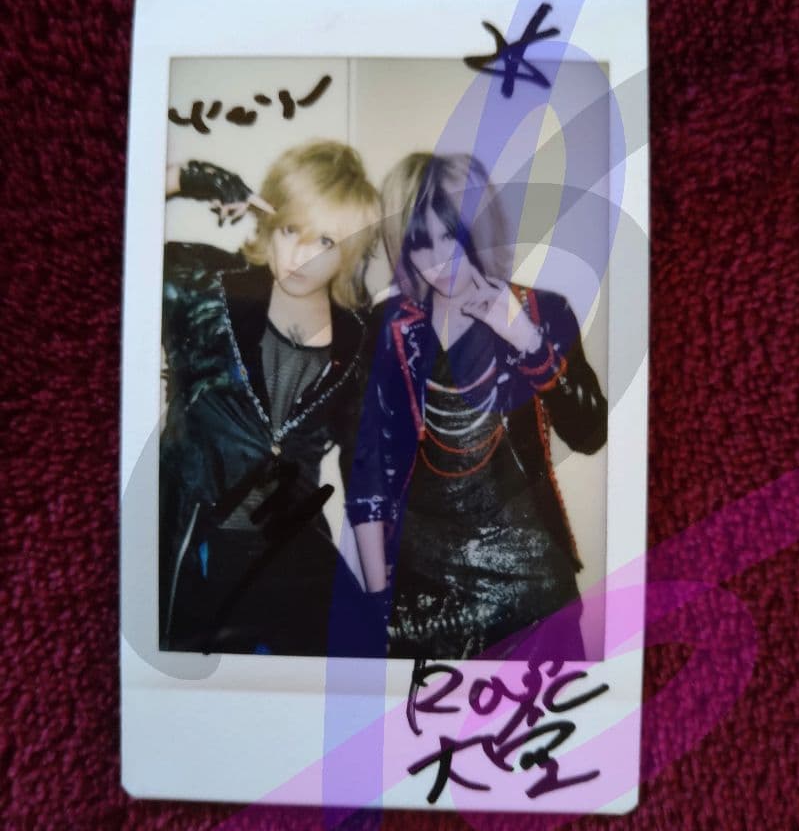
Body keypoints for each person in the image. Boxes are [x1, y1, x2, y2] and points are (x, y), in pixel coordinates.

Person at [346, 153, 607, 661]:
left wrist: (529, 342)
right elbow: (368, 471)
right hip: (423, 590)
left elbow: (590, 433)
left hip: (532, 585)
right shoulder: (389, 329)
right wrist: (377, 600)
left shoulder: (542, 312)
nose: (438, 260)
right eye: (420, 243)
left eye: (452, 236)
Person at [159, 141, 383, 655]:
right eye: (289, 231)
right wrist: (184, 178)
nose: (300, 257)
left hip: (297, 565)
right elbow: (103, 237)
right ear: (269, 222)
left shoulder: (359, 337)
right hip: (197, 555)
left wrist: (377, 591)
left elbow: (363, 470)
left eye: (324, 240)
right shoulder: (203, 286)